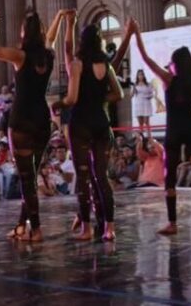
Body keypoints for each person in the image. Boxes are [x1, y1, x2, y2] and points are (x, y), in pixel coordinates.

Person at [0, 8, 67, 243]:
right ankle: (22, 226)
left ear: (24, 33)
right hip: (42, 120)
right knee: (29, 177)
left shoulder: (19, 56)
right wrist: (59, 17)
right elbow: (50, 38)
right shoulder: (48, 56)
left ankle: (36, 230)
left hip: (22, 119)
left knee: (26, 178)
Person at [133, 24, 191, 236]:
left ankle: (172, 223)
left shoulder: (169, 80)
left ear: (175, 65)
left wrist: (136, 33)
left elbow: (146, 60)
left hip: (174, 131)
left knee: (169, 176)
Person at [56, 15, 123, 241]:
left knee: (83, 177)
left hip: (81, 124)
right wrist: (100, 98)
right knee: (102, 177)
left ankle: (86, 228)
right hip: (102, 124)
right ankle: (110, 228)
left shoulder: (77, 64)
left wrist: (58, 103)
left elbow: (72, 97)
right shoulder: (106, 65)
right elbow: (119, 94)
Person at [131, 70, 154, 140]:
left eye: (142, 75)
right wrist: (133, 90)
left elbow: (152, 94)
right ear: (137, 76)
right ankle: (141, 139)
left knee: (146, 122)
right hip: (138, 104)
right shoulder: (135, 85)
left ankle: (150, 138)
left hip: (146, 104)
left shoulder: (148, 84)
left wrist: (148, 96)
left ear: (144, 76)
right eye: (139, 75)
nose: (140, 76)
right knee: (140, 124)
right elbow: (131, 95)